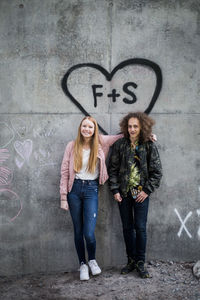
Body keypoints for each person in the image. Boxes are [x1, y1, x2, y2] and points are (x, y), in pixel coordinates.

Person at [60, 116, 123, 281]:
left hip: (91, 189)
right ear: (80, 128)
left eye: (90, 127)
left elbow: (123, 135)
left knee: (88, 232)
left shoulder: (101, 142)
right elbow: (65, 171)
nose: (86, 129)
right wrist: (63, 197)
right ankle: (82, 264)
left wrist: (147, 135)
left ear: (95, 129)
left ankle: (92, 260)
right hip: (73, 190)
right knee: (78, 231)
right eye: (84, 126)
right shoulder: (71, 145)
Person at [108, 112, 162, 278]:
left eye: (135, 126)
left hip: (141, 194)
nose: (132, 129)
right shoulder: (120, 145)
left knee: (140, 227)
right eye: (130, 126)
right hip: (123, 194)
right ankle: (130, 260)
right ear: (126, 127)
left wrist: (146, 190)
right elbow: (113, 169)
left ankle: (140, 262)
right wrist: (115, 190)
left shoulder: (149, 145)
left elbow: (157, 172)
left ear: (142, 127)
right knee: (127, 228)